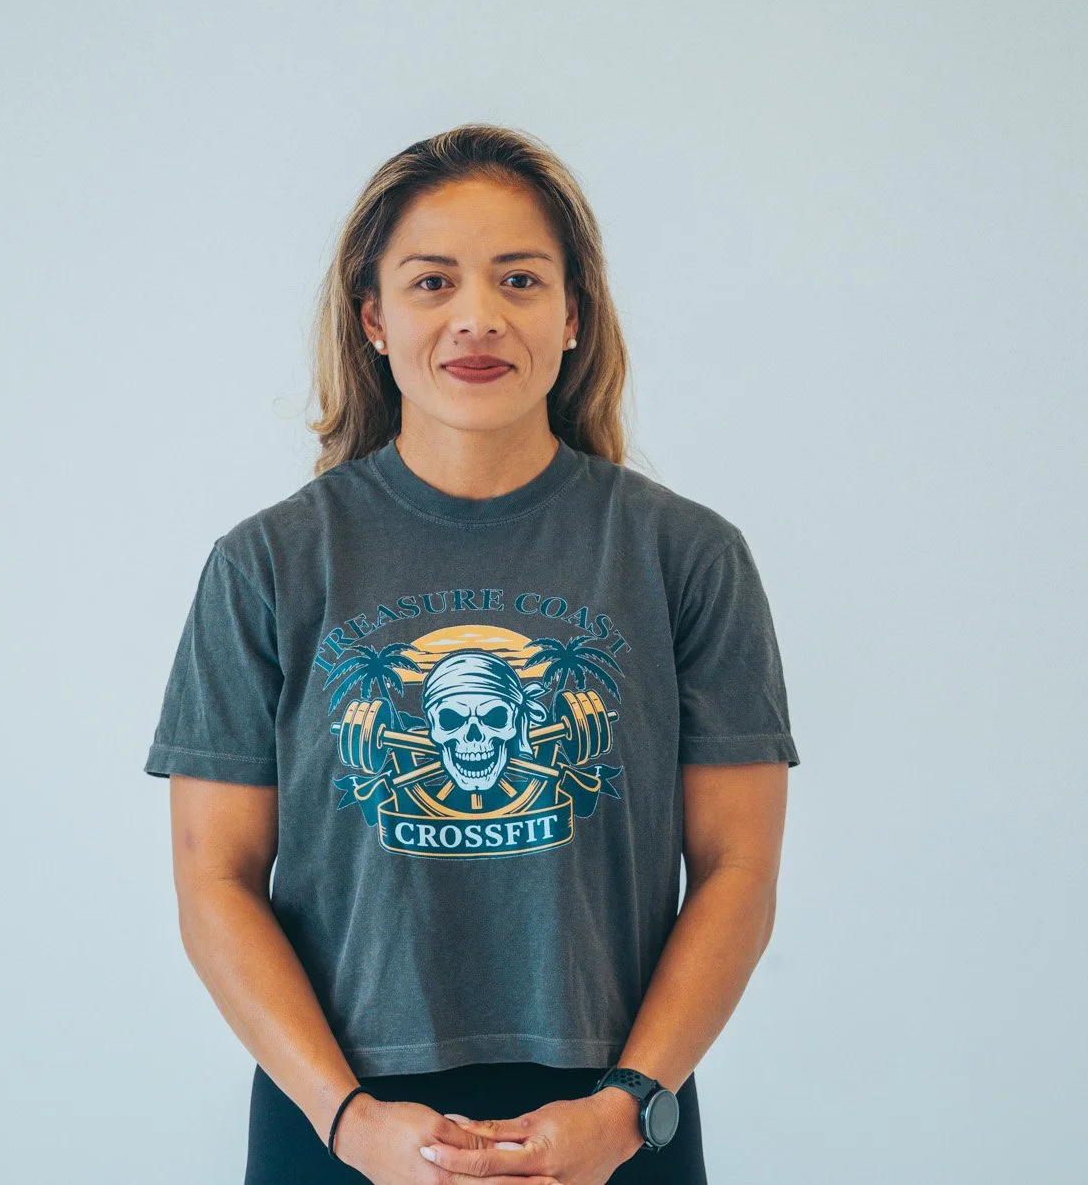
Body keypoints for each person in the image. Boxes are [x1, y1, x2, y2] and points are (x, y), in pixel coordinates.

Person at [144, 124, 797, 1184]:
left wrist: (624, 1111)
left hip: (611, 1119)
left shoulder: (685, 557)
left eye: (520, 279)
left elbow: (737, 868)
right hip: (340, 1123)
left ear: (573, 312)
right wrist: (349, 1120)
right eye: (432, 281)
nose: (476, 318)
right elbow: (211, 877)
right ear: (373, 317)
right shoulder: (266, 566)